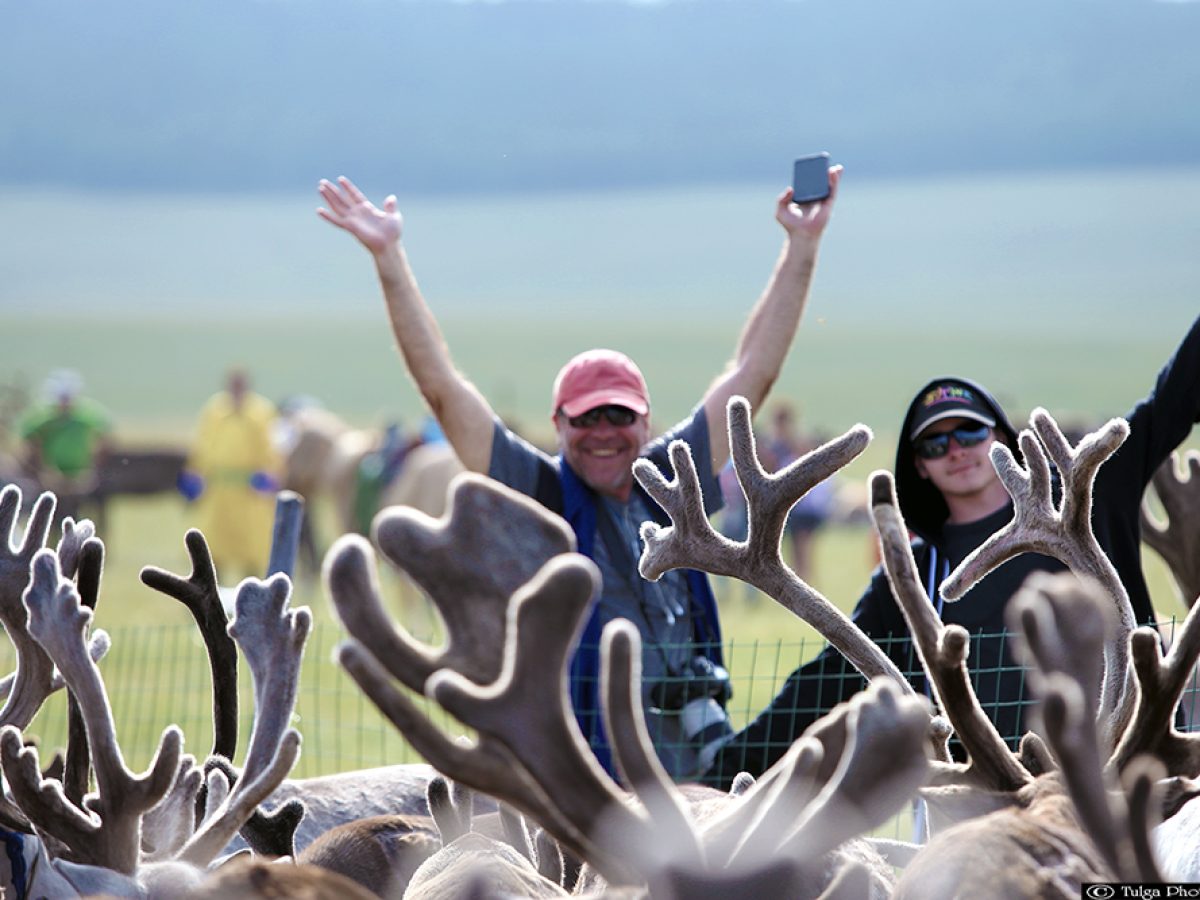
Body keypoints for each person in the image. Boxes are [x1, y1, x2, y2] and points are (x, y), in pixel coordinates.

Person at [317, 168, 842, 779]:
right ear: (558, 424)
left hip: (699, 775)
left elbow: (751, 373)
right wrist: (389, 258)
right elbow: (443, 389)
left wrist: (802, 247)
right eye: (585, 418)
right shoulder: (535, 493)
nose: (603, 432)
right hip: (585, 782)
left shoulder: (678, 480)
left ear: (646, 423)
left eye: (620, 415)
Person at [705, 315, 1200, 788]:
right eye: (934, 444)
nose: (956, 450)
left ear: (1001, 437)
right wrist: (711, 782)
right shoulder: (912, 579)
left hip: (1127, 789)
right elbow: (821, 687)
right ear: (918, 466)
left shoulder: (1086, 500)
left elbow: (1172, 399)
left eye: (969, 432)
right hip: (995, 811)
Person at [179, 368, 282, 580]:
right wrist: (194, 473)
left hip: (249, 491)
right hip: (218, 491)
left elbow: (272, 446)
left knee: (253, 548)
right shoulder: (215, 409)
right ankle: (211, 594)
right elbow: (203, 442)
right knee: (213, 547)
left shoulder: (260, 411)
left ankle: (255, 592)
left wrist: (270, 474)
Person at [19, 369, 112, 522]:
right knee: (49, 519)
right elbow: (30, 444)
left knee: (80, 516)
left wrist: (93, 468)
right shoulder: (43, 419)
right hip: (50, 478)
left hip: (81, 477)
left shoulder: (87, 417)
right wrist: (43, 471)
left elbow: (105, 440)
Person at [764, 401, 834, 582]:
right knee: (793, 552)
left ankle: (806, 583)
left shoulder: (796, 444)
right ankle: (801, 582)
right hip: (789, 505)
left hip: (804, 505)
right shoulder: (775, 446)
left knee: (803, 550)